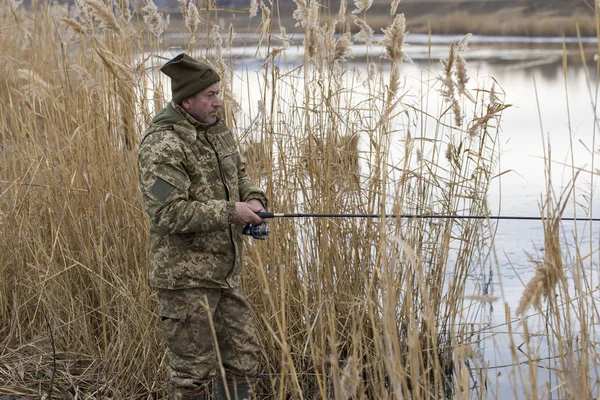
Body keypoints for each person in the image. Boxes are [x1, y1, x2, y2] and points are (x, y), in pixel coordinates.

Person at [138, 53, 267, 400]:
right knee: (192, 375)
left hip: (225, 274)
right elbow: (167, 213)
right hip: (185, 281)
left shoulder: (217, 131)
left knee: (242, 359)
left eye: (219, 92)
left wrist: (254, 200)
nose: (218, 101)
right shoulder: (163, 144)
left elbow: (240, 176)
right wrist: (231, 213)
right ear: (187, 100)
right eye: (210, 95)